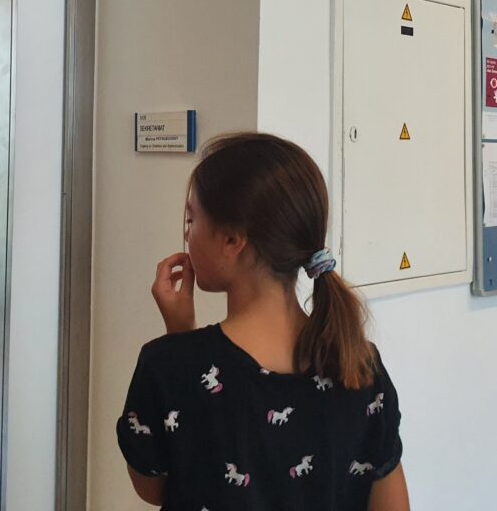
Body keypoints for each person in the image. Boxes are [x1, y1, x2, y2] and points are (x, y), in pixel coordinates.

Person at [117, 132, 409, 510]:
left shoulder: (167, 365)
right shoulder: (360, 365)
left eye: (191, 219)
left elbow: (153, 487)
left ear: (232, 241)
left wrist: (179, 337)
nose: (187, 235)